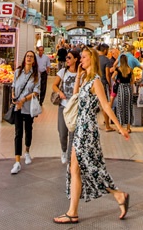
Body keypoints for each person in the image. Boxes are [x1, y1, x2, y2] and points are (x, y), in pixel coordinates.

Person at [53, 47, 131, 224]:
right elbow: (75, 99)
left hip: (87, 129)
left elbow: (105, 105)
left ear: (92, 60)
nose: (81, 60)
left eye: (85, 57)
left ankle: (118, 195)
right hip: (80, 126)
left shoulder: (96, 81)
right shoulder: (85, 79)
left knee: (91, 168)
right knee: (75, 169)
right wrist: (79, 77)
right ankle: (73, 211)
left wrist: (119, 127)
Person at [10, 51, 41, 174]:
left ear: (34, 60)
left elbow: (36, 91)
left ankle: (27, 151)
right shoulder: (17, 72)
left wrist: (24, 99)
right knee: (18, 133)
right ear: (24, 58)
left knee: (28, 130)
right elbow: (13, 86)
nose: (29, 58)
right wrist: (13, 96)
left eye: (31, 57)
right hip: (18, 107)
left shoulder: (36, 75)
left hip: (28, 107)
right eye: (27, 56)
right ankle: (17, 161)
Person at [50, 50, 79, 165]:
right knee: (62, 133)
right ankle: (63, 150)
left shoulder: (81, 73)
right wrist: (59, 93)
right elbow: (54, 85)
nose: (66, 60)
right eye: (66, 58)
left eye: (69, 58)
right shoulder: (63, 72)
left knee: (72, 134)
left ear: (76, 59)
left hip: (74, 108)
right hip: (63, 106)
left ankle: (69, 158)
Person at [112, 53, 134, 134]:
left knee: (120, 107)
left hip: (121, 88)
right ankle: (128, 127)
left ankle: (120, 127)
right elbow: (133, 80)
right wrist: (129, 84)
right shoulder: (130, 69)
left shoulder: (118, 69)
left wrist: (117, 82)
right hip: (128, 88)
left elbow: (112, 77)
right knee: (128, 107)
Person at [96, 44, 112, 130]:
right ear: (105, 50)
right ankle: (107, 126)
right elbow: (107, 74)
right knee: (105, 104)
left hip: (95, 83)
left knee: (97, 104)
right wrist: (109, 84)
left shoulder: (95, 59)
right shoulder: (106, 60)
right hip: (103, 83)